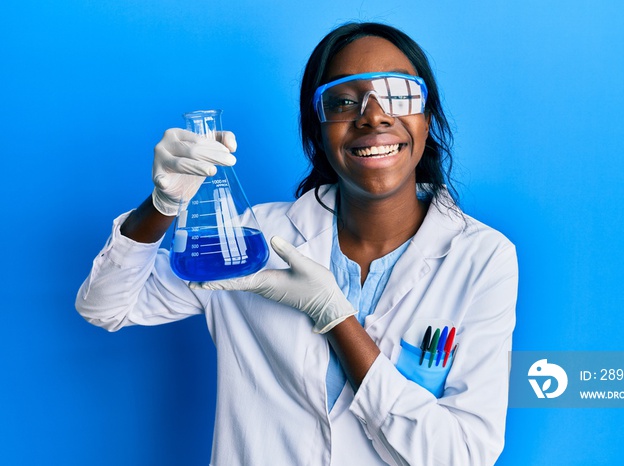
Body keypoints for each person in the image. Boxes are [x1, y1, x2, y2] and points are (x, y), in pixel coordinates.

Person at [76, 22, 518, 466]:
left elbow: (462, 455)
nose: (374, 115)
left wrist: (336, 318)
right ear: (318, 132)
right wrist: (162, 204)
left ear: (427, 118)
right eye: (344, 101)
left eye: (398, 94)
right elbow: (106, 306)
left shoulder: (481, 257)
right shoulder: (253, 240)